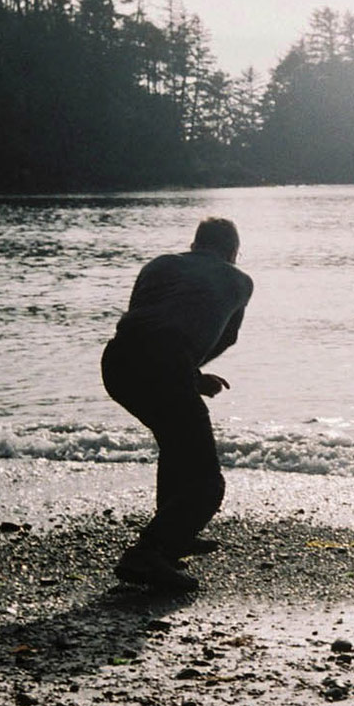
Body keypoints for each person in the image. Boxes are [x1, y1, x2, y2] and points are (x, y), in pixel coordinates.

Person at [101, 217, 253, 591]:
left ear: (194, 243)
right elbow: (226, 337)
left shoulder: (159, 265)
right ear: (233, 251)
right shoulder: (239, 281)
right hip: (165, 366)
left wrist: (189, 377)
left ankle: (173, 535)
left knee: (174, 441)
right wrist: (189, 371)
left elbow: (145, 322)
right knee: (207, 483)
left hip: (118, 363)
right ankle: (149, 553)